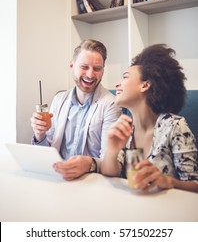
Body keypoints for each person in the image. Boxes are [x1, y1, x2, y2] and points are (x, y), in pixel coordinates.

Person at [101, 44, 198, 193]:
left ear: (145, 85)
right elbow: (110, 172)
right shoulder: (126, 126)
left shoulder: (174, 126)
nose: (117, 84)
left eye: (125, 77)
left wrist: (167, 181)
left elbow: (194, 185)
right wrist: (112, 151)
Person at [31, 39, 121, 180]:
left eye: (97, 68)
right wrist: (39, 134)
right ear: (72, 66)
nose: (90, 75)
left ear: (103, 70)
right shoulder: (59, 99)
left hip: (92, 183)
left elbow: (110, 162)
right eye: (84, 67)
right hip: (58, 179)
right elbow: (47, 154)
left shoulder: (111, 104)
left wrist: (89, 164)